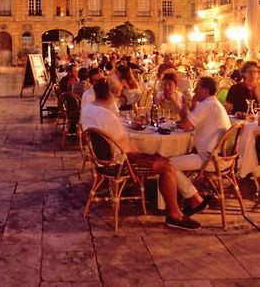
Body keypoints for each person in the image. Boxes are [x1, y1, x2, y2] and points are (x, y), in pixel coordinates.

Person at [81, 78, 200, 230]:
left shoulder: (89, 109)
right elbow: (128, 150)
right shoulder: (107, 116)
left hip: (101, 162)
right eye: (118, 96)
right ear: (111, 95)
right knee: (168, 165)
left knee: (162, 160)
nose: (118, 99)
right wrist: (150, 155)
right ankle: (175, 214)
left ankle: (187, 201)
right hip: (118, 164)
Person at [171, 76, 231, 216]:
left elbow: (186, 125)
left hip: (211, 159)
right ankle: (191, 195)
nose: (195, 90)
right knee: (175, 159)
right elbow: (192, 123)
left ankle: (195, 199)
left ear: (205, 90)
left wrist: (184, 105)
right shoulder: (213, 103)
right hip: (223, 158)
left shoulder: (206, 105)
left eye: (197, 87)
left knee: (169, 165)